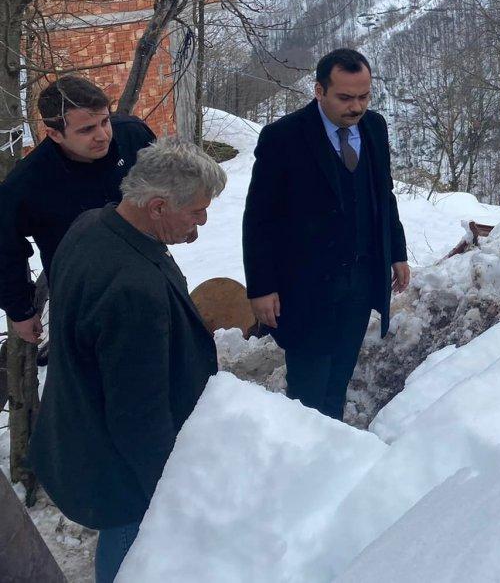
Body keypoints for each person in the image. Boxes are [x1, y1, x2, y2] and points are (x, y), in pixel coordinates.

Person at [30, 137, 225, 583]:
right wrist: (166, 488)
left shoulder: (92, 224)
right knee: (131, 544)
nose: (202, 223)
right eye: (195, 211)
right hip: (117, 464)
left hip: (82, 425)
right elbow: (138, 414)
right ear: (157, 206)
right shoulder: (133, 289)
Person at [243, 48, 409, 420]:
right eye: (345, 97)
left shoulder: (374, 127)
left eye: (364, 96)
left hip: (360, 281)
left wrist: (396, 251)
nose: (356, 107)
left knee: (338, 379)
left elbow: (384, 195)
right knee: (307, 391)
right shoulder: (283, 137)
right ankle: (303, 457)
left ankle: (331, 446)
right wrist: (261, 286)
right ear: (319, 91)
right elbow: (260, 217)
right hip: (306, 289)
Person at [0, 75, 155, 343]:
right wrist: (20, 311)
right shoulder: (27, 183)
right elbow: (5, 249)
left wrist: (182, 214)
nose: (102, 135)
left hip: (150, 270)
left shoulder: (132, 135)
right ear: (54, 133)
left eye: (105, 121)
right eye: (86, 130)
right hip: (83, 295)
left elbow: (167, 180)